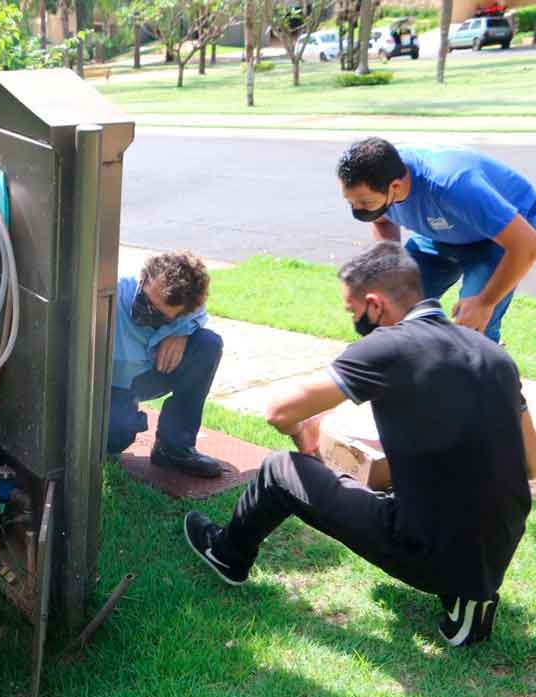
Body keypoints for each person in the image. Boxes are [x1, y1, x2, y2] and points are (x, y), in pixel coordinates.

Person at [184, 243, 534, 646]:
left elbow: (279, 412)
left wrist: (305, 432)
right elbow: (531, 463)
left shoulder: (387, 347)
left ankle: (227, 555)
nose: (354, 321)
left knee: (283, 469)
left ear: (374, 305)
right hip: (498, 544)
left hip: (423, 546)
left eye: (353, 313)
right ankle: (468, 595)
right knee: (439, 496)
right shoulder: (494, 355)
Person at [338, 136, 536, 343]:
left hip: (500, 236)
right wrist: (390, 269)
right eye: (350, 201)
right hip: (440, 231)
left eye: (365, 202)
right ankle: (405, 368)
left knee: (473, 326)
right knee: (390, 303)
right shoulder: (375, 176)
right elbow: (383, 222)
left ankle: (488, 368)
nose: (357, 209)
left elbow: (526, 245)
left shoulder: (453, 185)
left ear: (395, 187)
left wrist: (485, 302)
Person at [108, 251, 224, 477]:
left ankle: (173, 448)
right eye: (146, 302)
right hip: (109, 383)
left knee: (207, 345)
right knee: (115, 436)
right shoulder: (111, 291)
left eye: (160, 316)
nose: (146, 314)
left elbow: (197, 315)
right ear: (142, 278)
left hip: (149, 374)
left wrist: (182, 332)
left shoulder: (187, 310)